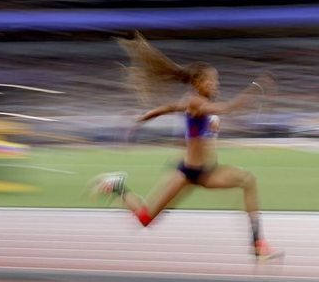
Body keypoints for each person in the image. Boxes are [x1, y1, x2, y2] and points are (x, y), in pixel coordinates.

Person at [89, 32, 281, 260]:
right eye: (211, 81)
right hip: (188, 173)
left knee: (248, 181)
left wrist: (143, 118)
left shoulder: (196, 102)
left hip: (208, 173)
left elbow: (170, 107)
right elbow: (227, 108)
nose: (216, 84)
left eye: (217, 80)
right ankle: (117, 185)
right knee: (146, 220)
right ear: (197, 83)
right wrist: (255, 89)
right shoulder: (196, 102)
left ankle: (258, 244)